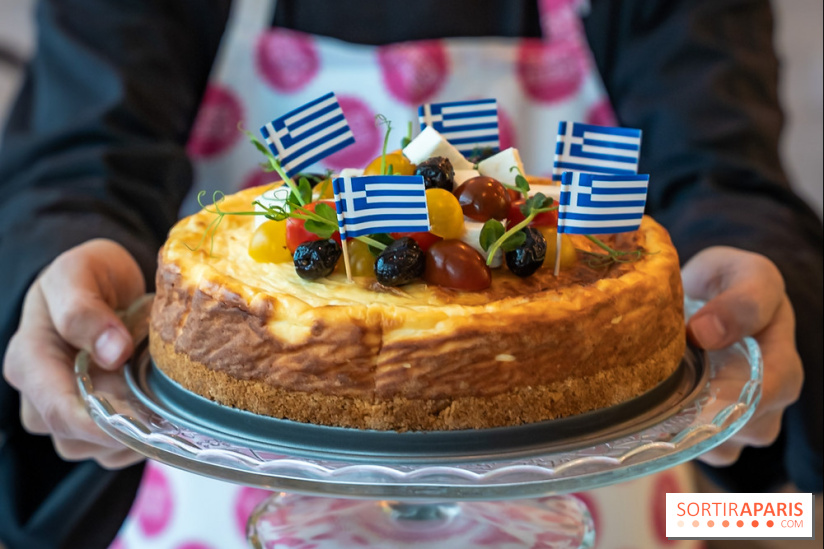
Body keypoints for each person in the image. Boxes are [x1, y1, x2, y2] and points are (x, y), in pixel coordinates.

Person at [0, 0, 821, 547]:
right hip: (213, 495)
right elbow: (78, 161)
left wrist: (752, 271)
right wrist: (59, 259)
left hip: (616, 497)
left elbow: (724, 175)